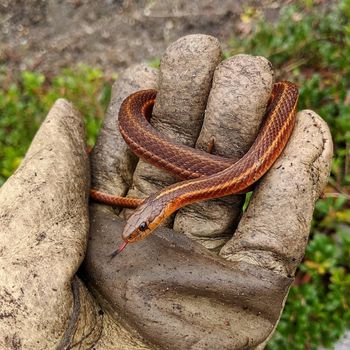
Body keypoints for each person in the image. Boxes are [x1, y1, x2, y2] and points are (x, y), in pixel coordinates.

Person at [0, 34, 333, 349]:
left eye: (142, 224)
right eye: (141, 225)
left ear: (158, 210)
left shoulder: (189, 190)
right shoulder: (196, 186)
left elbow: (244, 170)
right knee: (243, 170)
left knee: (268, 123)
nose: (138, 230)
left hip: (280, 99)